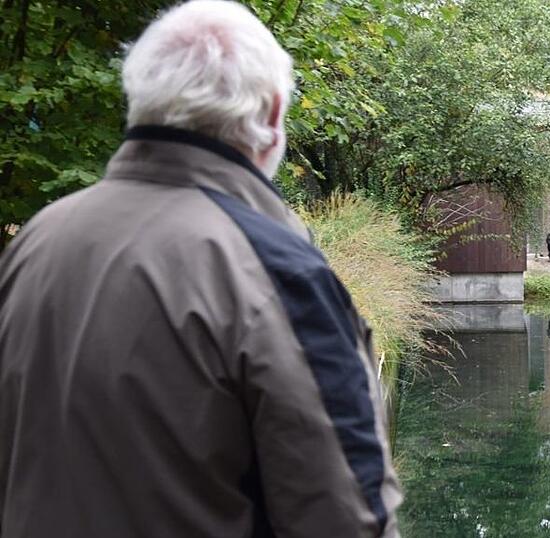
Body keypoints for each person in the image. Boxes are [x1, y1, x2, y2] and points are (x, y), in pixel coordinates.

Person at [0, 1, 401, 536]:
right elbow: (346, 518)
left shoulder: (36, 241)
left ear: (140, 100)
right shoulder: (273, 272)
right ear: (274, 114)